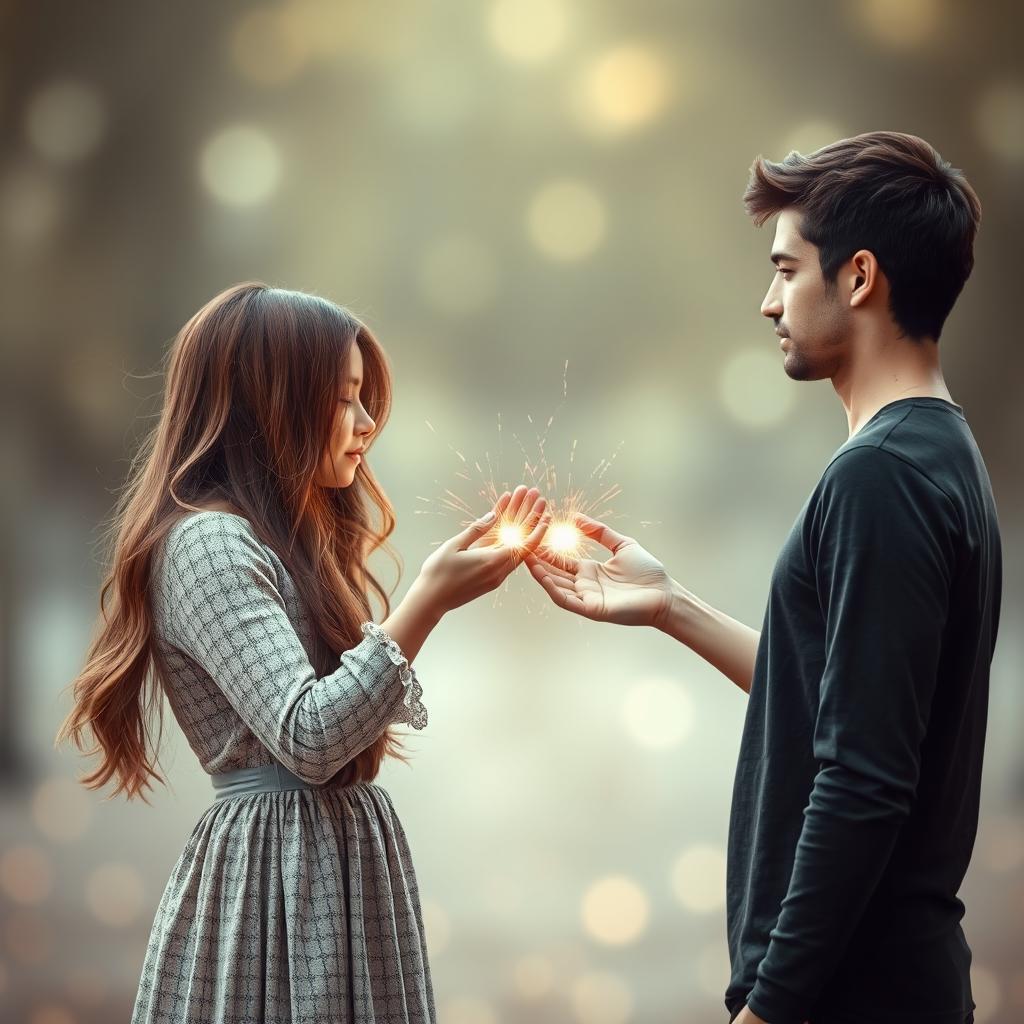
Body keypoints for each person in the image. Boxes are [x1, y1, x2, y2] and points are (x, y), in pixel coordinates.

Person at [525, 132, 999, 1024]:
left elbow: (862, 780)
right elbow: (842, 702)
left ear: (859, 278)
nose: (768, 301)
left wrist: (769, 1009)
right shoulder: (939, 453)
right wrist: (672, 606)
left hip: (855, 993)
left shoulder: (882, 477)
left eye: (787, 270)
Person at [55, 282, 551, 1024]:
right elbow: (309, 738)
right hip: (273, 884)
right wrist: (428, 602)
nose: (367, 421)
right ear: (269, 402)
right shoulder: (207, 544)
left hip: (330, 866)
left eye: (365, 397)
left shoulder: (276, 540)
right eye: (344, 397)